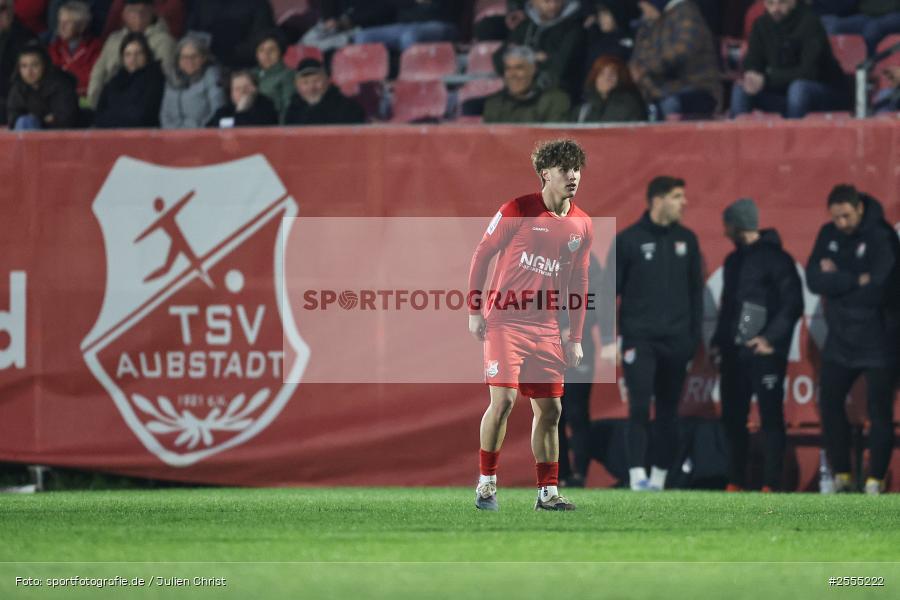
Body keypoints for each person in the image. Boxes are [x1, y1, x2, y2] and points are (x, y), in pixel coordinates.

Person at [469, 138, 593, 511]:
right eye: (564, 170)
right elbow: (482, 255)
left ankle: (547, 493)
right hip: (506, 321)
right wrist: (475, 311)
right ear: (545, 174)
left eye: (576, 169)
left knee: (551, 411)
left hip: (547, 327)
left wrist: (575, 336)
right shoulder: (517, 209)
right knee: (504, 401)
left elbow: (580, 282)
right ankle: (487, 483)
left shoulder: (582, 225)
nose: (572, 176)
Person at [805, 184, 899, 495]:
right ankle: (842, 474)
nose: (841, 224)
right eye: (836, 218)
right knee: (829, 402)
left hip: (879, 341)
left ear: (859, 208)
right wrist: (854, 278)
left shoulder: (882, 236)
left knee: (880, 410)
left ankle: (874, 479)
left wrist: (837, 280)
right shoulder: (827, 234)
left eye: (846, 216)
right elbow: (814, 279)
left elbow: (880, 288)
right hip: (840, 340)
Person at [614, 176, 703, 491]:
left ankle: (660, 479)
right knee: (639, 406)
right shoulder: (628, 240)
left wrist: (693, 341)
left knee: (668, 411)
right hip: (640, 340)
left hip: (677, 342)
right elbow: (608, 290)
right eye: (678, 196)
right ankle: (638, 476)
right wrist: (609, 339)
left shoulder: (688, 241)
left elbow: (696, 296)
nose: (684, 202)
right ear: (658, 200)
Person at [710, 198, 804, 493]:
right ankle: (735, 481)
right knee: (733, 419)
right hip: (734, 354)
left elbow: (793, 304)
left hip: (765, 354)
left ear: (739, 225)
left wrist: (770, 340)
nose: (725, 232)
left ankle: (771, 483)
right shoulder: (733, 260)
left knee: (771, 417)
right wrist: (718, 342)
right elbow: (729, 307)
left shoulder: (778, 259)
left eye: (728, 226)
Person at [731, 0, 849, 119]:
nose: (775, 9)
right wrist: (752, 75)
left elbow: (809, 73)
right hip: (781, 93)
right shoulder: (761, 25)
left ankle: (793, 137)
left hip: (823, 91)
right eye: (770, 3)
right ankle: (736, 136)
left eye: (782, 2)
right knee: (741, 89)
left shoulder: (810, 22)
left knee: (798, 89)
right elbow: (753, 61)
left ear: (793, 2)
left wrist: (766, 79)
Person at [629, 0, 722, 120]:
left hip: (696, 85)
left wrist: (646, 67)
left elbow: (684, 48)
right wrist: (637, 70)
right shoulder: (653, 22)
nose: (644, 13)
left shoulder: (685, 12)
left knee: (669, 104)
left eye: (645, 8)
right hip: (666, 88)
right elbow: (640, 55)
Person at [87, 0, 174, 108]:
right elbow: (99, 72)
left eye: (143, 11)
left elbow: (166, 76)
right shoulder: (113, 39)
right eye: (133, 11)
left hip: (144, 106)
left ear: (153, 13)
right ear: (124, 15)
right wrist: (95, 103)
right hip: (109, 103)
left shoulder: (164, 41)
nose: (138, 15)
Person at [493, 0, 586, 96]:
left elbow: (559, 69)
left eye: (558, 1)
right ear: (533, 2)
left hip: (553, 96)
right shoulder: (525, 26)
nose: (553, 5)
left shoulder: (573, 30)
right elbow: (498, 58)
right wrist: (533, 57)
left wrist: (520, 57)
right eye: (547, 1)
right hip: (519, 95)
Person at [483, 45, 571, 123]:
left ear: (533, 69)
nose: (512, 74)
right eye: (508, 69)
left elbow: (554, 138)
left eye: (519, 68)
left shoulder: (555, 101)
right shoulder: (494, 104)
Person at [94, 30, 164, 127]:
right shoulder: (114, 82)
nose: (133, 58)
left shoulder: (156, 80)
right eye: (128, 54)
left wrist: (114, 117)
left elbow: (142, 116)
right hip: (111, 137)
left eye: (138, 53)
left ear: (147, 55)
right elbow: (99, 115)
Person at [7, 42, 79, 129]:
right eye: (24, 66)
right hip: (30, 134)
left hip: (62, 138)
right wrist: (42, 119)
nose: (29, 72)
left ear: (45, 65)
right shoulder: (18, 87)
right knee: (25, 121)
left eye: (34, 65)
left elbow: (65, 118)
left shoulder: (61, 84)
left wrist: (38, 120)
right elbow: (13, 119)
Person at [185, 0, 275, 69]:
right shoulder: (200, 3)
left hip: (243, 70)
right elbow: (191, 33)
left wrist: (226, 53)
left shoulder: (258, 4)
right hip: (203, 65)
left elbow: (260, 40)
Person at [159, 33, 223, 129]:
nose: (189, 61)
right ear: (178, 60)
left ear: (203, 58)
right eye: (184, 57)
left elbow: (218, 110)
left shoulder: (211, 76)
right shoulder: (171, 79)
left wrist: (195, 133)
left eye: (194, 56)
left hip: (202, 136)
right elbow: (164, 115)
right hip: (172, 138)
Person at [354, 0, 461, 53]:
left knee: (410, 36)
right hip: (405, 25)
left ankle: (409, 81)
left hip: (440, 24)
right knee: (364, 36)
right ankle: (369, 88)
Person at [283, 57, 365, 126]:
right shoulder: (293, 110)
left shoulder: (348, 108)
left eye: (316, 81)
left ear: (327, 81)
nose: (311, 88)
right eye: (305, 83)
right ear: (297, 86)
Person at [48, 1, 101, 97]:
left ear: (82, 26)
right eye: (60, 22)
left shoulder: (95, 49)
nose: (61, 27)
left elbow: (89, 80)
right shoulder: (54, 48)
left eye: (67, 23)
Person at [574, 55, 647, 122]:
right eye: (601, 73)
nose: (606, 78)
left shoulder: (628, 105)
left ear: (620, 78)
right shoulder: (584, 110)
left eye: (612, 74)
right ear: (595, 78)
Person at [301, 0, 393, 53]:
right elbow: (327, 17)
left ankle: (345, 41)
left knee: (362, 37)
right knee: (306, 42)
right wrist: (329, 21)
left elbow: (382, 9)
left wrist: (351, 20)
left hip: (358, 29)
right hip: (334, 30)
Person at [1, 0, 37, 124]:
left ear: (12, 9)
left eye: (2, 8)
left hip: (13, 101)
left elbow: (27, 79)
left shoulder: (25, 37)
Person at [820, 0, 900, 55]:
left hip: (892, 14)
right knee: (832, 25)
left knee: (872, 30)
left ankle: (868, 67)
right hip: (865, 14)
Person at [207, 69, 278, 128]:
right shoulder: (224, 111)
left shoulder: (266, 107)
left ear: (255, 88)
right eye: (237, 89)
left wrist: (241, 111)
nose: (242, 92)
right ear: (231, 93)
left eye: (246, 87)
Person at [252, 30, 294, 122]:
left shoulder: (288, 74)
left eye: (271, 50)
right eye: (261, 50)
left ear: (280, 52)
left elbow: (287, 108)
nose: (266, 55)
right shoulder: (250, 74)